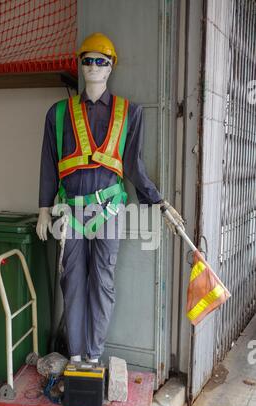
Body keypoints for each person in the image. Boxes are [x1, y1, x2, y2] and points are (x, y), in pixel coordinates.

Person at [36, 33, 184, 365]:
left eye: (100, 61)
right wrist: (44, 208)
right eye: (87, 60)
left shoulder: (129, 112)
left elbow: (134, 165)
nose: (93, 66)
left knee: (102, 282)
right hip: (69, 210)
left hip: (110, 209)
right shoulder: (58, 114)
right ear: (80, 64)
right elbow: (48, 162)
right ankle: (75, 355)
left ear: (111, 67)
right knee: (72, 283)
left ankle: (92, 355)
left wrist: (159, 202)